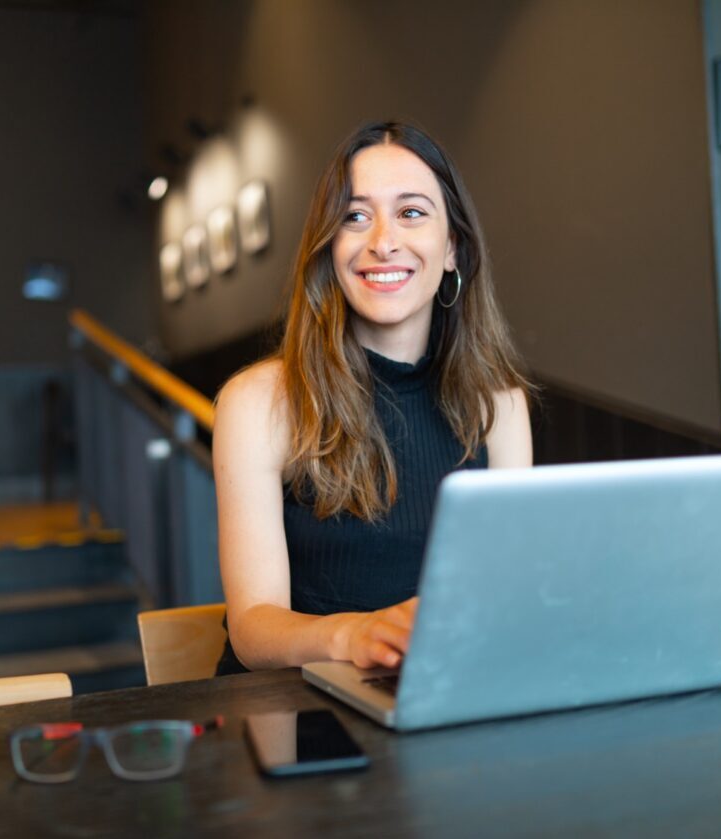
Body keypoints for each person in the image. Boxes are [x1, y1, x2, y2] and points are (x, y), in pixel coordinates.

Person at [213, 121, 533, 675]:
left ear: (452, 246)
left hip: (440, 706)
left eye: (411, 212)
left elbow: (508, 592)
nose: (382, 241)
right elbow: (251, 629)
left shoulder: (498, 403)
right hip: (297, 718)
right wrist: (353, 633)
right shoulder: (258, 401)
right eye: (355, 216)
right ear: (329, 246)